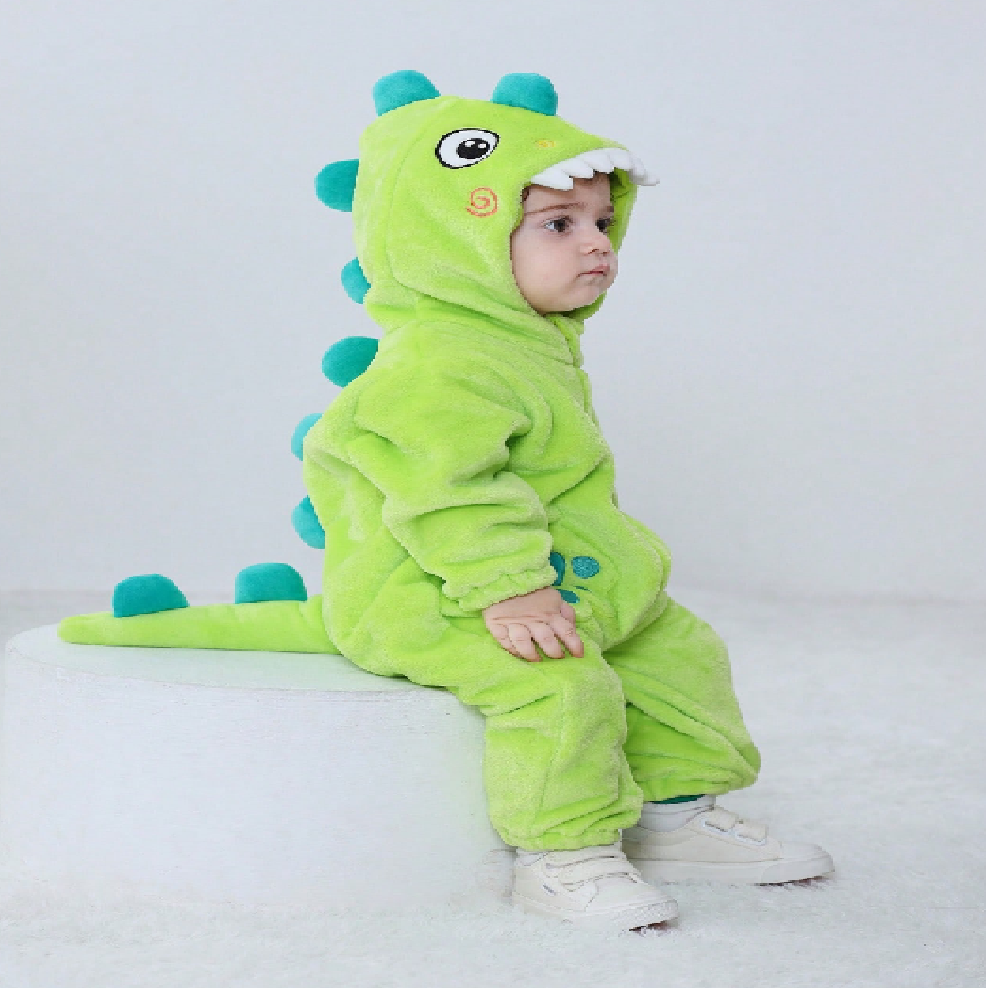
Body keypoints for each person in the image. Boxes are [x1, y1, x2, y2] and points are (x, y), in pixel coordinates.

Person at [60, 70, 834, 932]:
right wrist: (508, 586)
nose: (596, 246)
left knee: (678, 650)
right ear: (451, 237)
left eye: (602, 223)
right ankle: (562, 853)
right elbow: (443, 488)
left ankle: (674, 818)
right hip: (431, 589)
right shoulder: (438, 359)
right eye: (556, 224)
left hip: (556, 576)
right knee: (560, 692)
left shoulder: (526, 343)